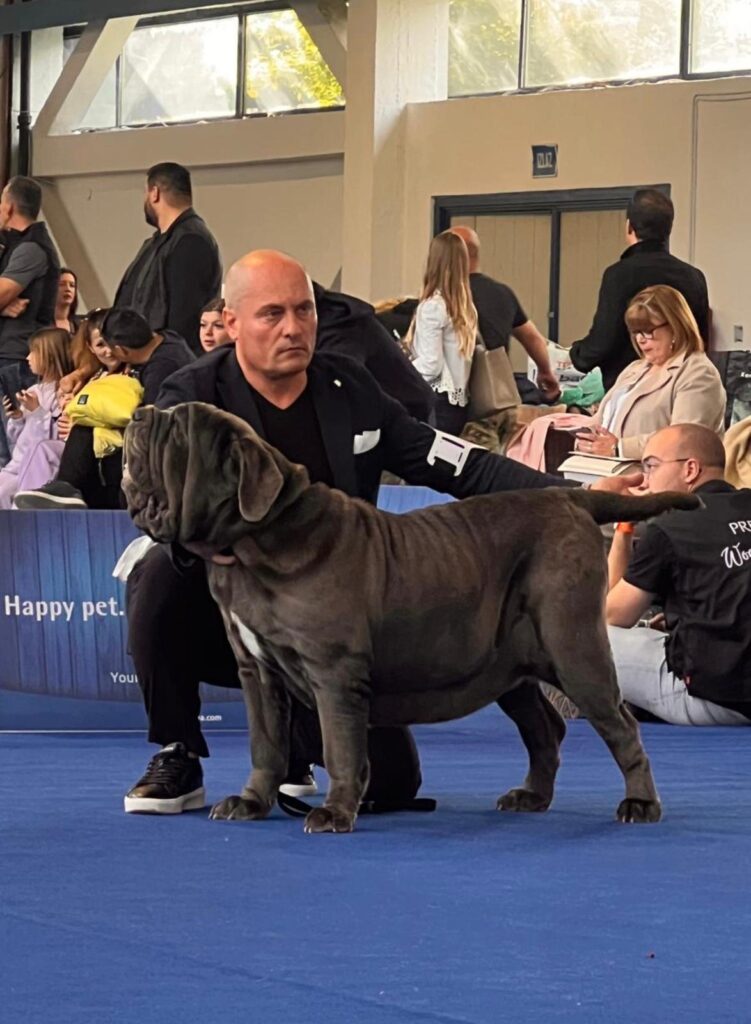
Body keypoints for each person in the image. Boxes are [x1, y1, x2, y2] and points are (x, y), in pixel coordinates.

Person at [122, 248, 642, 816]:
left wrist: (566, 494)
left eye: (305, 310)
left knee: (392, 783)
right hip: (227, 599)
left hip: (338, 615)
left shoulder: (350, 386)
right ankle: (178, 751)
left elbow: (453, 462)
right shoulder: (192, 397)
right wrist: (201, 547)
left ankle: (299, 747)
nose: (294, 328)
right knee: (154, 578)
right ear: (231, 321)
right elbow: (157, 501)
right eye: (272, 314)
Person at [606, 424, 751, 725]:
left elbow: (612, 617)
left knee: (582, 637)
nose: (645, 482)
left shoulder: (669, 530)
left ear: (690, 470)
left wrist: (623, 523)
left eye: (651, 467)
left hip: (716, 700)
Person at [13, 308, 194, 510]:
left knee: (88, 425)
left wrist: (104, 421)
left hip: (168, 456)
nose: (107, 353)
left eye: (109, 347)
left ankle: (68, 487)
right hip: (142, 449)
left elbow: (153, 426)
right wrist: (81, 374)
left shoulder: (163, 369)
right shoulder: (165, 339)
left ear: (122, 351)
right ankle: (65, 488)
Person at [569, 189, 710, 390]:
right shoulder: (694, 276)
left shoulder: (619, 275)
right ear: (669, 229)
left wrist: (577, 355)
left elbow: (604, 340)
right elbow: (700, 339)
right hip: (683, 382)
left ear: (629, 227)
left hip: (630, 386)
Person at [574, 285, 725, 460]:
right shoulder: (634, 369)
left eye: (648, 331)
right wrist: (585, 439)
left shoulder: (698, 374)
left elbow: (684, 439)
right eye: (636, 332)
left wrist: (619, 448)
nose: (640, 339)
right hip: (605, 470)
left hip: (655, 479)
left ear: (676, 327)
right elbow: (600, 422)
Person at [113, 162, 222, 356]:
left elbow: (183, 316)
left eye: (145, 193)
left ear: (154, 193)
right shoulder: (157, 243)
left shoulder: (191, 241)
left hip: (170, 363)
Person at [449, 225, 561, 401]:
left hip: (452, 393)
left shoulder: (439, 297)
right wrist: (545, 372)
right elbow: (532, 338)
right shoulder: (501, 293)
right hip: (496, 394)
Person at [0, 176, 61, 466]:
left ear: (9, 208)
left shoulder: (31, 249)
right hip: (10, 355)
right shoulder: (15, 246)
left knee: (12, 449)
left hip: (16, 359)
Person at [314, 281, 434, 422]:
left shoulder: (343, 326)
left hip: (409, 413)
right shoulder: (337, 322)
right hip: (401, 406)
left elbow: (335, 391)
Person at [406, 231, 477, 434]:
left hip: (435, 402)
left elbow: (431, 365)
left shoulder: (433, 307)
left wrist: (401, 370)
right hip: (457, 403)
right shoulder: (465, 308)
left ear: (433, 261)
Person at [0, 328, 72, 509]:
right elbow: (18, 442)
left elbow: (52, 438)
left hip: (34, 471)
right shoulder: (34, 390)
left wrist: (37, 412)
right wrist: (17, 418)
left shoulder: (62, 393)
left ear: (48, 356)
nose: (28, 358)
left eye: (34, 352)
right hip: (16, 467)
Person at [54, 268, 79, 334]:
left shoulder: (78, 326)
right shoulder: (40, 324)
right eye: (62, 284)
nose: (68, 289)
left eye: (72, 285)